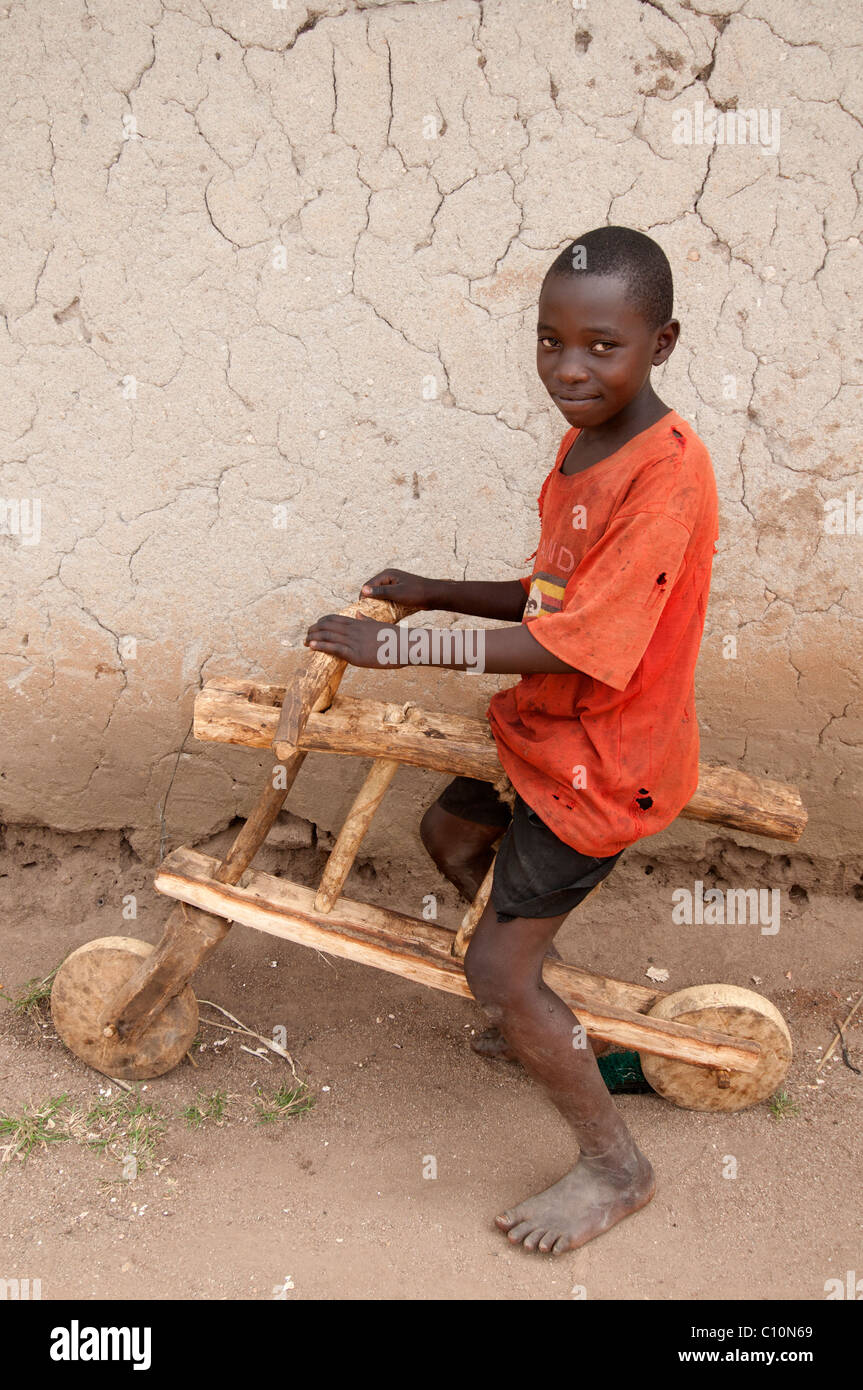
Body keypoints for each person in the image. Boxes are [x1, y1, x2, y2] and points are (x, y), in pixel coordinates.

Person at [304, 225, 719, 1255]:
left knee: (493, 969)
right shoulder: (589, 440)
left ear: (659, 343)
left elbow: (579, 645)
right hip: (541, 739)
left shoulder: (663, 483)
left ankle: (614, 1167)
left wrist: (399, 649)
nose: (567, 369)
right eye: (548, 342)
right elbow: (552, 593)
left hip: (601, 767)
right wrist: (437, 585)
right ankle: (542, 1014)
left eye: (599, 346)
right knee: (449, 837)